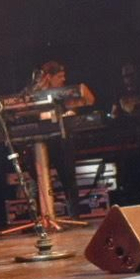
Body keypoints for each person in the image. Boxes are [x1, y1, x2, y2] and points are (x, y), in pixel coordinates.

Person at [29, 59, 95, 217]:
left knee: (68, 179)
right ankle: (37, 219)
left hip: (61, 140)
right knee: (35, 179)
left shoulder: (66, 93)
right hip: (40, 140)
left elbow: (88, 100)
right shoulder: (34, 94)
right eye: (59, 76)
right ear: (48, 77)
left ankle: (74, 216)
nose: (63, 80)